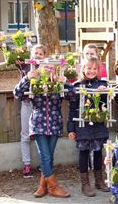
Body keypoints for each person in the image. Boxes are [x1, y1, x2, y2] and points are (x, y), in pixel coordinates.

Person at [14, 46, 72, 198]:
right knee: (45, 156)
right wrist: (27, 78)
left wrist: (65, 82)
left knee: (49, 157)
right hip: (38, 122)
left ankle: (42, 186)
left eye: (49, 65)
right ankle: (53, 187)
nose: (47, 68)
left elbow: (73, 96)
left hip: (54, 122)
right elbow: (17, 93)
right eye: (44, 65)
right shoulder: (33, 77)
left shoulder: (57, 79)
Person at [67, 57, 110, 196]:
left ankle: (99, 180)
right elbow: (72, 108)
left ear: (98, 70)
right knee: (84, 153)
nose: (91, 71)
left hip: (98, 124)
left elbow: (106, 103)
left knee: (98, 152)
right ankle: (85, 184)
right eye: (89, 68)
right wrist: (71, 128)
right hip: (82, 125)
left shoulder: (103, 84)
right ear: (83, 69)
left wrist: (104, 92)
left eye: (94, 69)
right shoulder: (77, 86)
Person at [19, 45, 46, 178]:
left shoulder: (47, 69)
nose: (37, 55)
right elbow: (19, 89)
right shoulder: (25, 68)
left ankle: (44, 163)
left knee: (41, 135)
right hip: (27, 103)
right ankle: (27, 164)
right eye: (35, 53)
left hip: (41, 106)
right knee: (25, 135)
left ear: (44, 56)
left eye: (40, 54)